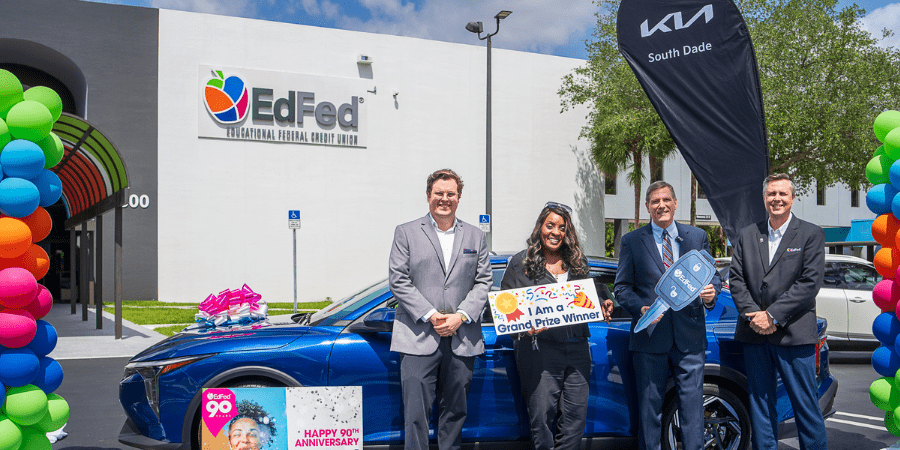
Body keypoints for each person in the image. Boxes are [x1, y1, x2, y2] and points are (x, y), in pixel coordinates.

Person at [388, 168, 492, 450]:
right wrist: (432, 315)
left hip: (462, 337)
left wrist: (461, 316)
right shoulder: (406, 232)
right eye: (439, 193)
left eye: (450, 194)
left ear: (459, 197)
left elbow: (484, 281)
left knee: (455, 413)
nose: (444, 199)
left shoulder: (475, 236)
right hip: (418, 336)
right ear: (428, 195)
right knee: (415, 415)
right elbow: (398, 280)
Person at [613, 181, 720, 450]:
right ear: (647, 207)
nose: (661, 205)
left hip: (690, 340)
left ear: (675, 203)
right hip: (650, 340)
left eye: (666, 200)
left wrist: (711, 293)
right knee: (649, 412)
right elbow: (621, 288)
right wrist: (641, 309)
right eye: (655, 201)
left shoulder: (696, 236)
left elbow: (712, 277)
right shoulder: (632, 241)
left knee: (693, 412)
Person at [500, 202, 613, 450]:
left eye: (562, 228)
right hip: (539, 350)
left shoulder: (577, 262)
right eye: (550, 225)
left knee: (574, 422)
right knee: (541, 420)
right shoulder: (520, 262)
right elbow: (505, 309)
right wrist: (523, 328)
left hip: (578, 348)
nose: (555, 232)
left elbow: (587, 297)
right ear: (540, 227)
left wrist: (602, 303)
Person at [728, 173, 827, 450]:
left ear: (792, 198)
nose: (777, 199)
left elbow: (809, 283)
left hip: (794, 335)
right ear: (764, 198)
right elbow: (736, 280)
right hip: (755, 334)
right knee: (760, 406)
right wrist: (754, 315)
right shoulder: (748, 234)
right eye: (771, 194)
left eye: (783, 194)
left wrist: (771, 315)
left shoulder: (811, 234)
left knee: (805, 406)